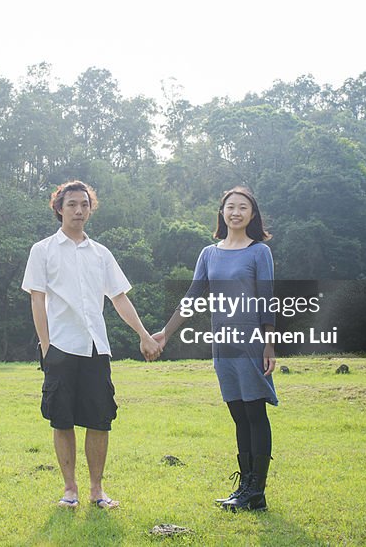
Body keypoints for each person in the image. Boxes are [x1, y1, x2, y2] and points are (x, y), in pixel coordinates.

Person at [22, 180, 162, 510]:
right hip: (60, 346)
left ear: (90, 208)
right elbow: (37, 300)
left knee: (100, 420)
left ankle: (97, 490)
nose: (79, 210)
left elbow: (119, 298)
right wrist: (46, 347)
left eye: (84, 204)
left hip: (96, 348)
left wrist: (144, 335)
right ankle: (69, 489)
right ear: (59, 208)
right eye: (72, 204)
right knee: (62, 419)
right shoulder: (42, 250)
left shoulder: (101, 254)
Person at [151, 186, 277, 511]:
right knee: (238, 414)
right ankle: (246, 488)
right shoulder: (209, 254)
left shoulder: (259, 252)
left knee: (254, 412)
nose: (236, 212)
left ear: (252, 214)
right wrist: (165, 333)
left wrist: (270, 343)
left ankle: (256, 491)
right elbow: (192, 298)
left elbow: (267, 300)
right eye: (230, 207)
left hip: (251, 344)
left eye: (243, 208)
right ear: (222, 212)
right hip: (222, 346)